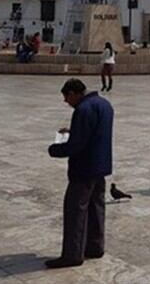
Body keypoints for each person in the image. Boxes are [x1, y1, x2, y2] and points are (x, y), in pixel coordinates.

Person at [46, 79, 114, 268]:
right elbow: (94, 132)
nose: (66, 102)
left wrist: (55, 150)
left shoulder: (83, 110)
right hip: (100, 167)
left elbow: (77, 145)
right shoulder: (104, 104)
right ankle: (95, 246)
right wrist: (73, 131)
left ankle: (73, 255)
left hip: (83, 169)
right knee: (96, 207)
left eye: (67, 97)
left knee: (75, 211)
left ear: (74, 93)